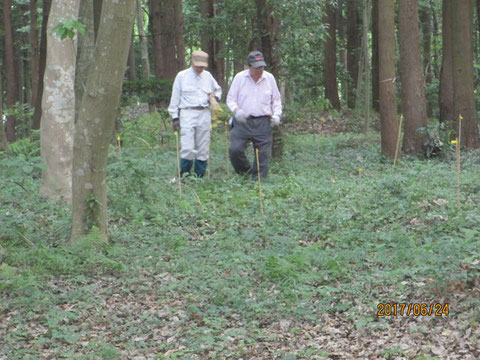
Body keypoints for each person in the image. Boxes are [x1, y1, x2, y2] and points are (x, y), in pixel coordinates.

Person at [226, 51, 282, 180]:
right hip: (243, 121)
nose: (259, 70)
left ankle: (259, 181)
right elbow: (230, 98)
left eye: (261, 67)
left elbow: (277, 100)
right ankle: (245, 173)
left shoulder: (269, 78)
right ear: (249, 66)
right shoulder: (239, 78)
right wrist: (236, 110)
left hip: (263, 121)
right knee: (235, 150)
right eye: (256, 67)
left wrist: (277, 115)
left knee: (263, 155)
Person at [168, 50, 222, 178]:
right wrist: (175, 117)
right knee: (187, 147)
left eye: (202, 66)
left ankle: (199, 177)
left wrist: (215, 98)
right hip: (187, 113)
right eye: (198, 66)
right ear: (191, 62)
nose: (200, 68)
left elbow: (218, 89)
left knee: (203, 147)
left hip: (204, 113)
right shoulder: (182, 76)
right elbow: (175, 98)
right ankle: (184, 177)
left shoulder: (208, 76)